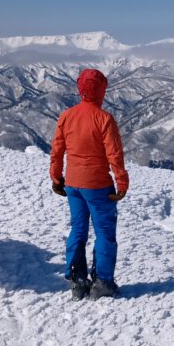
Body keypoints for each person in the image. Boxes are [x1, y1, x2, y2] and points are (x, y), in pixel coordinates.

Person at [49, 68, 129, 300]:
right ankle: (102, 282)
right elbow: (114, 155)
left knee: (78, 229)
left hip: (73, 183)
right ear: (102, 89)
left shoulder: (67, 115)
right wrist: (121, 183)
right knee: (104, 232)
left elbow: (57, 151)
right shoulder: (104, 119)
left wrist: (56, 178)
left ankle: (77, 281)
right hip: (98, 185)